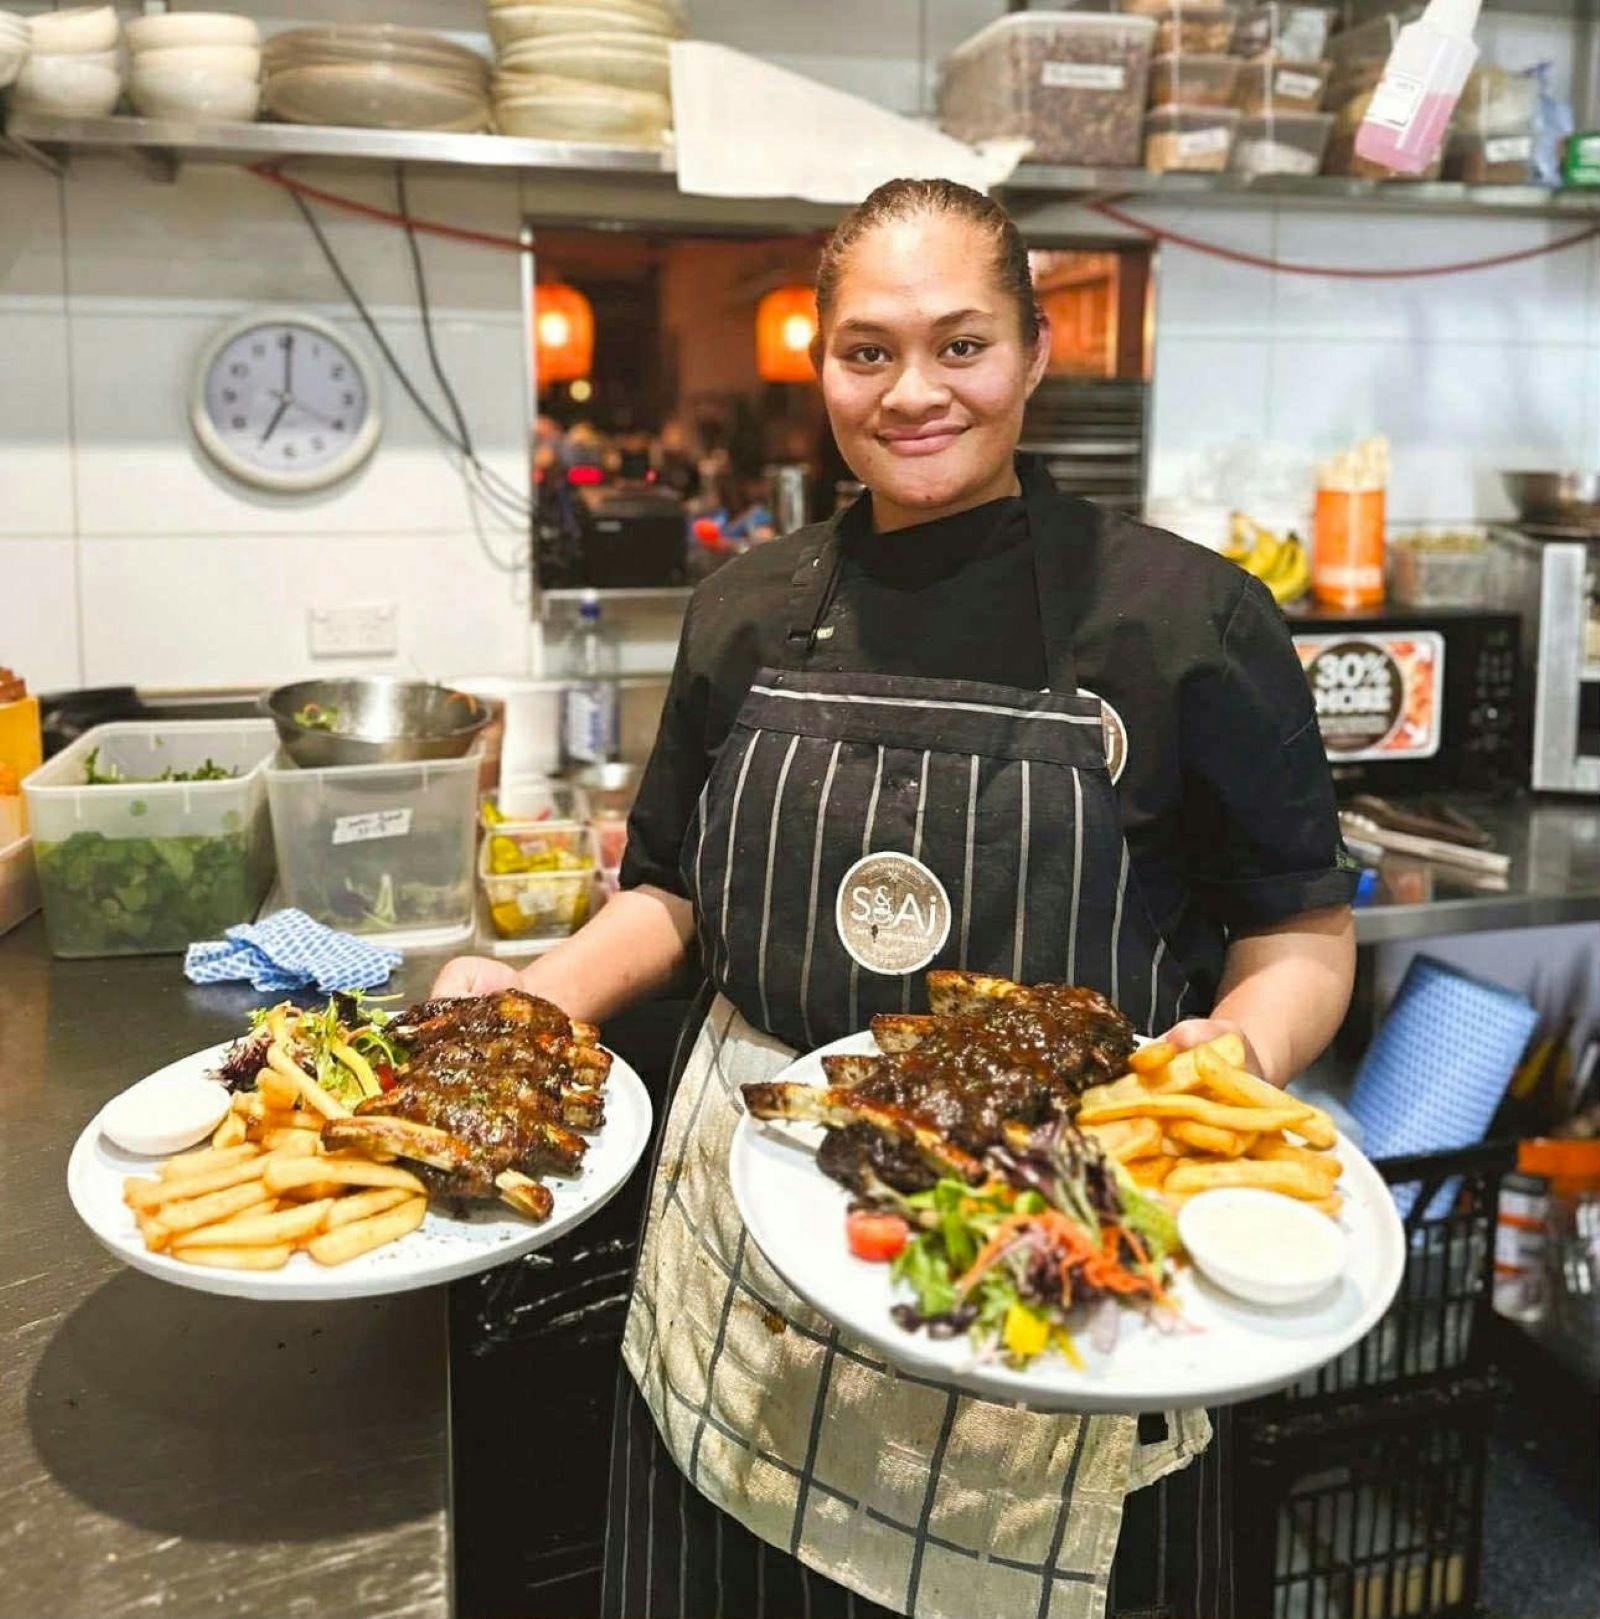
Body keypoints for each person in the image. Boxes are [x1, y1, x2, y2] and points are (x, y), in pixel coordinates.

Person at [432, 177, 1357, 1619]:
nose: (914, 392)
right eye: (868, 352)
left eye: (961, 345)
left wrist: (1225, 1062)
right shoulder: (747, 606)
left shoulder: (1184, 619)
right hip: (754, 1267)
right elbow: (670, 892)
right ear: (821, 368)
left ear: (1036, 355)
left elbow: (1299, 927)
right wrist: (534, 1002)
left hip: (1049, 1263)